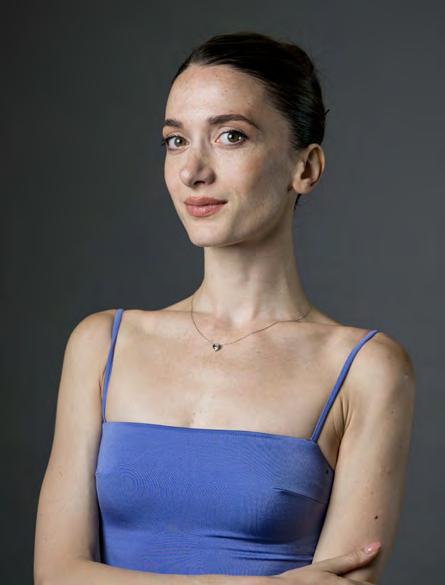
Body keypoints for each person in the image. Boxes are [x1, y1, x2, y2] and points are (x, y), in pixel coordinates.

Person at [34, 31, 416, 585]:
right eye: (175, 141)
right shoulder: (101, 344)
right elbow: (54, 575)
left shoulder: (364, 369)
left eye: (231, 136)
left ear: (305, 168)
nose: (193, 171)